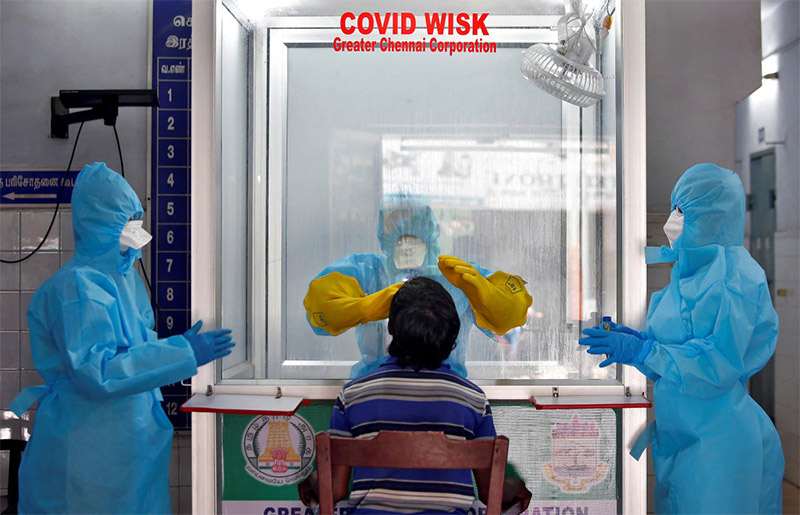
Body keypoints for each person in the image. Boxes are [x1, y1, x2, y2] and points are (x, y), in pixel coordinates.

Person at [9, 162, 235, 514]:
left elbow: (134, 353)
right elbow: (97, 373)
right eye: (126, 224)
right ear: (99, 226)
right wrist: (180, 353)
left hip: (133, 448)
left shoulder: (124, 280)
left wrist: (173, 349)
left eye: (135, 222)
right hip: (88, 453)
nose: (134, 237)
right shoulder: (77, 287)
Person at [579, 163, 783, 514]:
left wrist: (645, 350)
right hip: (682, 440)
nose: (672, 219)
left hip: (721, 447)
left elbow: (717, 364)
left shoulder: (738, 278)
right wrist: (638, 343)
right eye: (675, 207)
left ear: (712, 217)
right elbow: (674, 358)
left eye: (682, 210)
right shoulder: (686, 273)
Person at [298, 277, 532, 513]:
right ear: (452, 335)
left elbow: (334, 489)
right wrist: (517, 487)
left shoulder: (353, 396)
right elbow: (491, 492)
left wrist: (312, 482)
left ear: (391, 327)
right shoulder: (472, 399)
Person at [303, 193, 532, 378]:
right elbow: (319, 307)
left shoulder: (458, 277)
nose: (406, 246)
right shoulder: (367, 272)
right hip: (396, 392)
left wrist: (488, 296)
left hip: (411, 394)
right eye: (396, 231)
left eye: (413, 232)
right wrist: (362, 307)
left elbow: (513, 318)